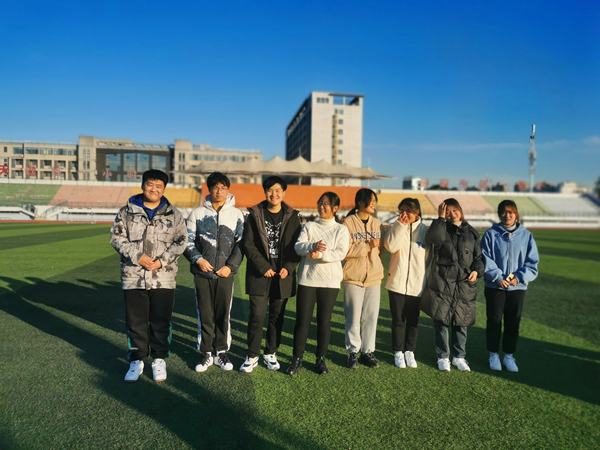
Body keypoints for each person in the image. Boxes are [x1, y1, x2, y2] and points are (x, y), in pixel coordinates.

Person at [110, 169, 187, 383]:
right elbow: (116, 238)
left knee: (161, 320)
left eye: (159, 186)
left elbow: (182, 241)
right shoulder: (126, 212)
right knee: (136, 321)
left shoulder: (174, 215)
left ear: (164, 189)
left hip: (164, 277)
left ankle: (159, 359)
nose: (154, 189)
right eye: (150, 184)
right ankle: (137, 359)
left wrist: (162, 261)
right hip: (134, 277)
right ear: (143, 185)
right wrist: (138, 257)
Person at [239, 176, 302, 373]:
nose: (273, 194)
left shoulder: (292, 216)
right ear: (265, 192)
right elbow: (248, 244)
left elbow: (297, 246)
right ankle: (252, 355)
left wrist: (289, 267)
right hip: (260, 274)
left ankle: (270, 353)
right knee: (257, 316)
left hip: (282, 275)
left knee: (277, 317)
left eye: (277, 190)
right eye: (270, 190)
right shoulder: (255, 214)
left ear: (283, 193)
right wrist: (262, 266)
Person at [184, 172, 244, 373]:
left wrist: (230, 267)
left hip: (226, 274)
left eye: (223, 188)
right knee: (204, 314)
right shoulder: (197, 214)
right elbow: (187, 241)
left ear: (228, 190)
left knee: (223, 314)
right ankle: (206, 353)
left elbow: (241, 244)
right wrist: (198, 259)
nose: (219, 191)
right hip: (202, 274)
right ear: (209, 189)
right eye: (216, 187)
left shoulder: (237, 215)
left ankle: (221, 352)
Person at [287, 192, 350, 376]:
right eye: (320, 203)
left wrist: (320, 254)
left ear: (335, 208)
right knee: (302, 321)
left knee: (324, 321)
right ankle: (297, 359)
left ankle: (320, 359)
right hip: (308, 279)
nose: (322, 206)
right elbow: (298, 247)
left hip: (330, 282)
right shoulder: (309, 226)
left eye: (326, 204)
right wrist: (311, 247)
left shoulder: (341, 229)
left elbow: (341, 253)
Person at [420, 198, 484, 372]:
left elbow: (479, 257)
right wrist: (440, 218)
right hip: (443, 282)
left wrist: (476, 271)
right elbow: (433, 238)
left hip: (464, 285)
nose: (452, 214)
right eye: (447, 212)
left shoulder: (472, 232)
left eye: (454, 210)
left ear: (460, 210)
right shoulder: (442, 228)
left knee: (461, 323)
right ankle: (443, 357)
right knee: (441, 322)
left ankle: (459, 357)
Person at [481, 200, 539, 372]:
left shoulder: (526, 236)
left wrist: (519, 278)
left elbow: (531, 262)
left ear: (516, 214)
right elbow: (485, 258)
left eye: (511, 212)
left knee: (513, 322)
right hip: (495, 286)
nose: (508, 215)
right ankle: (493, 354)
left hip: (517, 288)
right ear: (499, 214)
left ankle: (508, 356)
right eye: (504, 212)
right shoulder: (490, 234)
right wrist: (498, 277)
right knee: (494, 320)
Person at [383, 198, 431, 369]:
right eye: (401, 211)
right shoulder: (394, 227)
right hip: (396, 283)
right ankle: (398, 351)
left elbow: (428, 257)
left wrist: (419, 274)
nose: (404, 214)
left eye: (408, 211)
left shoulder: (425, 231)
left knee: (413, 321)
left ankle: (409, 351)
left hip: (416, 285)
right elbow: (391, 247)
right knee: (397, 321)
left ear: (417, 212)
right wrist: (400, 226)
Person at [342, 188, 385, 369]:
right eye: (370, 200)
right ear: (360, 202)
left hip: (374, 276)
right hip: (353, 277)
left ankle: (367, 352)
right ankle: (353, 351)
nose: (374, 203)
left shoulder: (378, 224)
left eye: (375, 200)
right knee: (353, 316)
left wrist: (372, 252)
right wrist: (367, 246)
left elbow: (380, 250)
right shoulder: (348, 223)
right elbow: (344, 251)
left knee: (371, 316)